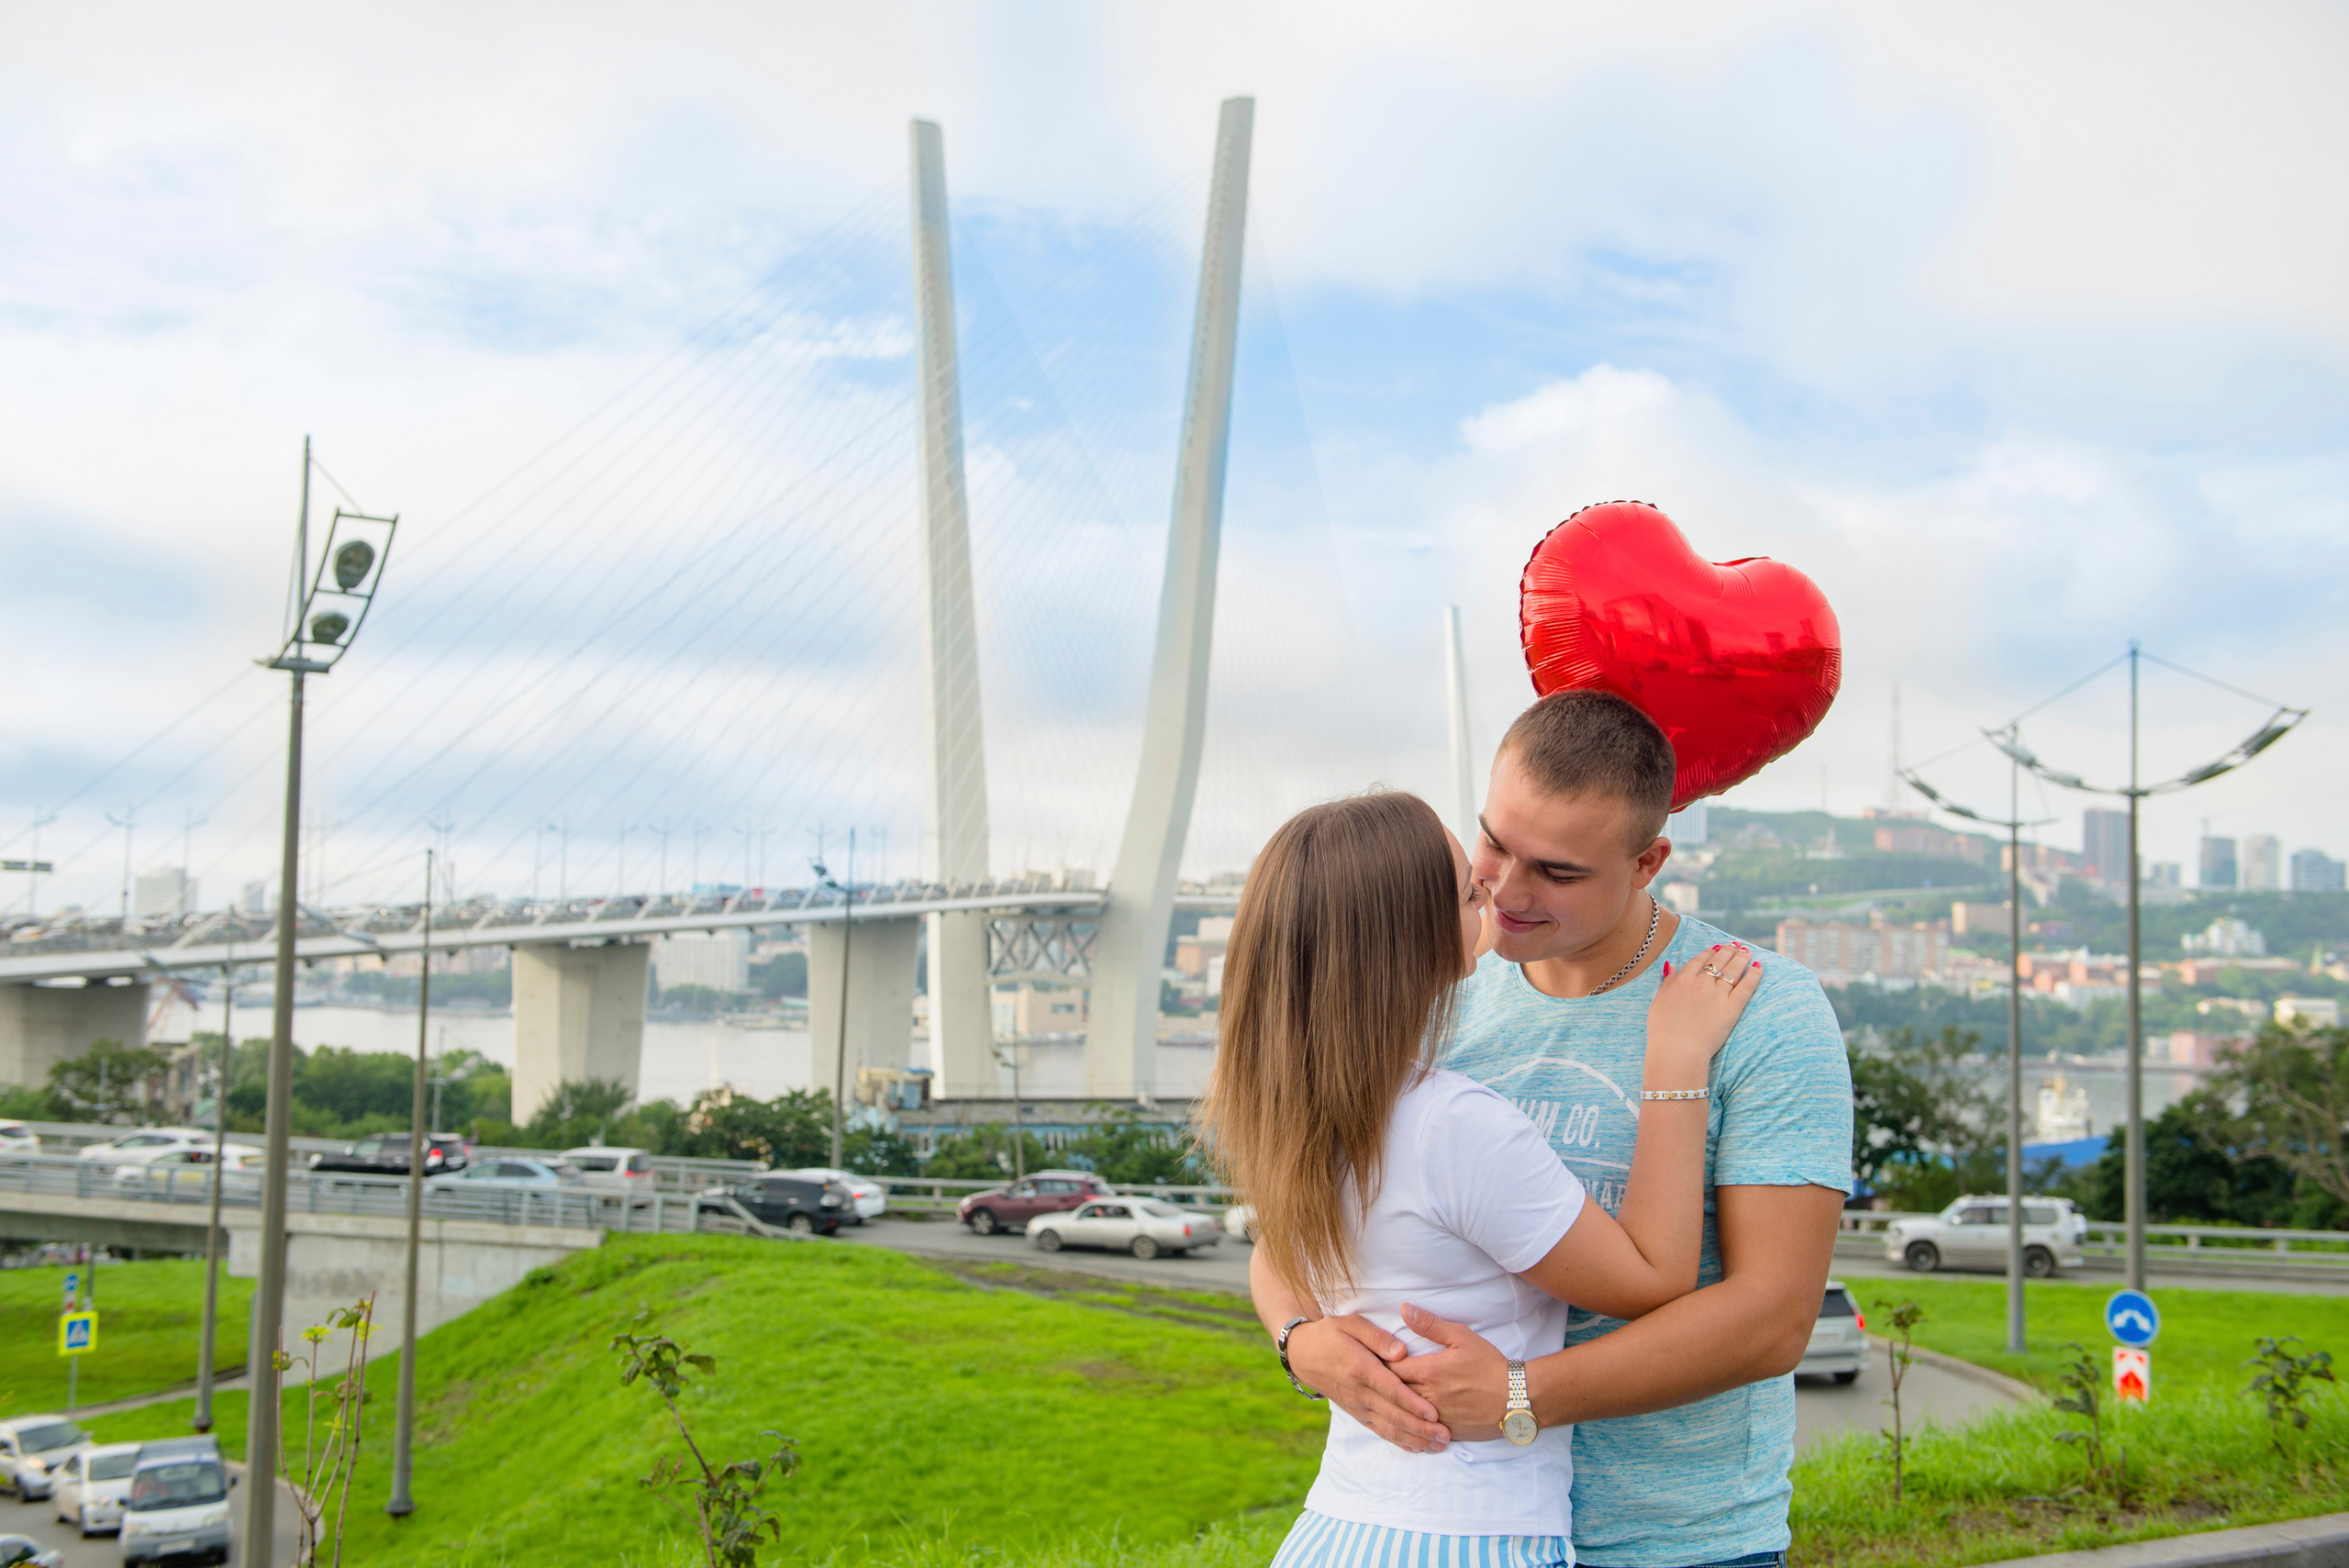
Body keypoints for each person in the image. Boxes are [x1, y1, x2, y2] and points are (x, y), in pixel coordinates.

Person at [1257, 691, 1854, 1568]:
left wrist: (1518, 1395)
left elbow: (1772, 1318)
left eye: (1558, 871)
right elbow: (1291, 1225)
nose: (1506, 889)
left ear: (1648, 860)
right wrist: (1299, 1342)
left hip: (1674, 1541)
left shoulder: (1759, 1009)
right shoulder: (1435, 992)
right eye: (1494, 842)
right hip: (1451, 1528)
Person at [1204, 788, 1763, 1566]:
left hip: (1337, 1525)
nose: (1497, 892)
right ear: (1418, 937)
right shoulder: (1452, 1122)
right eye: (1472, 887)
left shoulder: (1304, 1108)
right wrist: (1674, 1060)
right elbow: (1653, 1275)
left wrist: (1297, 1337)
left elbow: (1279, 1252)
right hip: (1467, 1535)